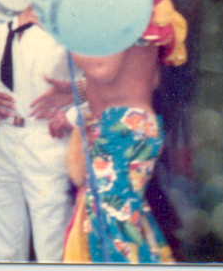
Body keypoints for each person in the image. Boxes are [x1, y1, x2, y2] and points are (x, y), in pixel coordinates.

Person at [60, 13, 186, 264]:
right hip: (126, 126)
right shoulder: (144, 11)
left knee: (112, 221)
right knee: (122, 217)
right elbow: (144, 77)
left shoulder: (127, 8)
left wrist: (69, 38)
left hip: (124, 128)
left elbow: (103, 68)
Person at [0, 5, 74, 263]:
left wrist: (73, 112)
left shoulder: (69, 19)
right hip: (4, 136)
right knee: (3, 242)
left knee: (52, 238)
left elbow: (96, 78)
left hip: (48, 136)